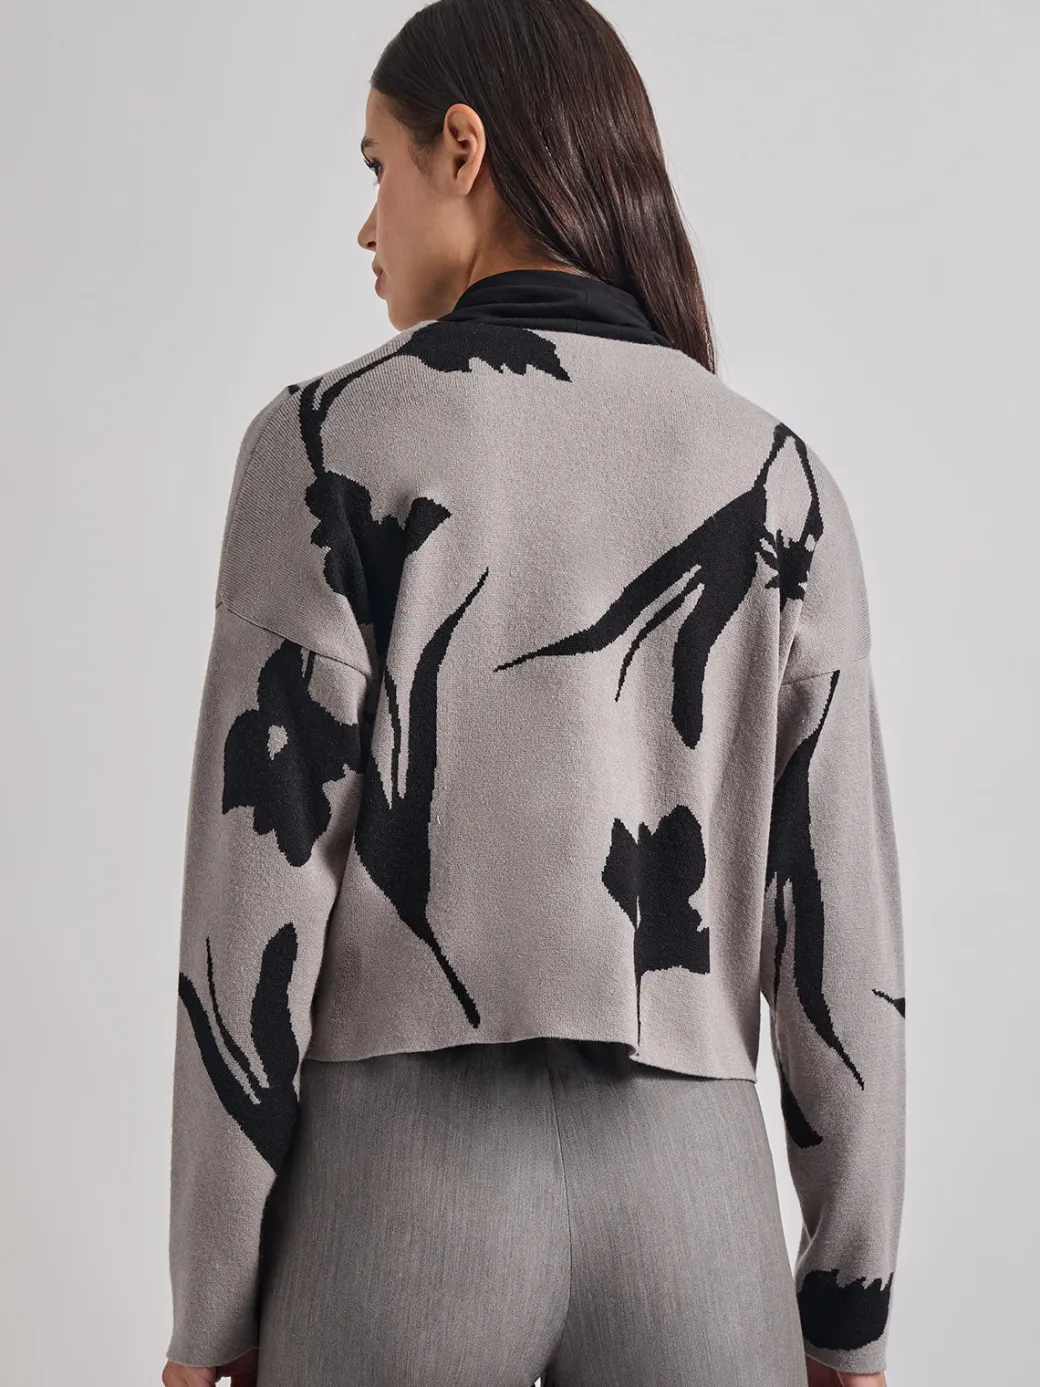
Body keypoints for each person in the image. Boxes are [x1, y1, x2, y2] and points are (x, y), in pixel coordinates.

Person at [160, 2, 907, 1385]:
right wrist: (849, 1302)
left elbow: (248, 898)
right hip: (691, 1203)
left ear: (464, 149)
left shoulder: (324, 443)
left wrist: (216, 1300)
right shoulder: (777, 478)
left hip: (395, 1201)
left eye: (375, 166)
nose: (367, 227)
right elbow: (839, 927)